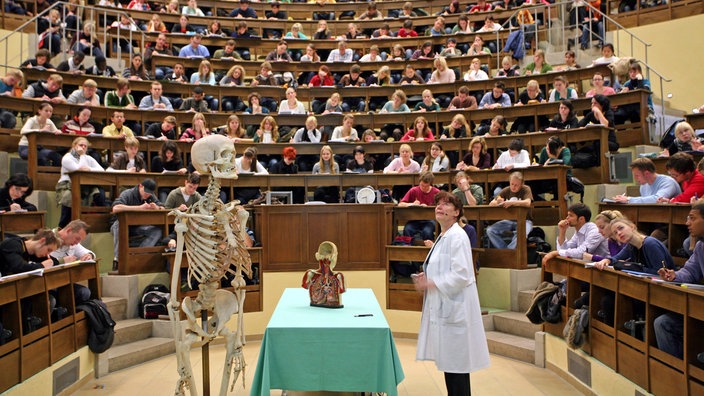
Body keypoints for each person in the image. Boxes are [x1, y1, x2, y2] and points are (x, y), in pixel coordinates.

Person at [414, 191, 490, 396]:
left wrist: (432, 283)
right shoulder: (444, 235)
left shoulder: (457, 236)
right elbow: (444, 267)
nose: (440, 206)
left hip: (456, 308)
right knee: (452, 367)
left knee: (457, 370)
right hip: (447, 306)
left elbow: (462, 274)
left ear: (456, 212)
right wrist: (428, 275)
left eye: (446, 204)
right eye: (438, 203)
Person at [655, 203, 704, 359]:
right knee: (663, 323)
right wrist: (674, 276)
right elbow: (690, 271)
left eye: (692, 218)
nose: (687, 223)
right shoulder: (701, 246)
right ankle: (679, 375)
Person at [110, 179, 164, 270]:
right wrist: (140, 208)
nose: (147, 194)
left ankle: (140, 255)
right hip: (120, 224)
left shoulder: (151, 196)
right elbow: (115, 208)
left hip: (137, 226)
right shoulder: (127, 193)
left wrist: (157, 208)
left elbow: (163, 207)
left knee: (157, 231)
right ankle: (117, 260)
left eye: (150, 193)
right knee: (119, 225)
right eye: (146, 191)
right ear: (140, 186)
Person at [593, 217, 675, 274]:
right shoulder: (631, 245)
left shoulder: (650, 244)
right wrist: (606, 261)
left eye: (621, 228)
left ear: (632, 226)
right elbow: (616, 258)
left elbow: (661, 272)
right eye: (615, 233)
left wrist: (635, 267)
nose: (619, 233)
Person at [55, 137, 105, 228]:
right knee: (69, 198)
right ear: (74, 146)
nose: (83, 148)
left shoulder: (88, 158)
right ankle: (62, 226)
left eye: (85, 146)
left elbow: (101, 170)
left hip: (85, 185)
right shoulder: (67, 157)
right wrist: (82, 156)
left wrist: (90, 168)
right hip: (67, 185)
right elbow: (79, 171)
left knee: (100, 192)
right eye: (80, 145)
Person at [541, 203, 608, 265]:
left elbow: (582, 253)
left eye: (571, 215)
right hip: (590, 266)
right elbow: (564, 249)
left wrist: (555, 253)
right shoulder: (578, 231)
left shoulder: (595, 232)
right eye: (568, 215)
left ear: (581, 219)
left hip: (606, 267)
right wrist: (562, 231)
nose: (567, 218)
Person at [487, 171, 534, 249]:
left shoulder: (526, 189)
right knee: (490, 230)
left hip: (525, 220)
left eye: (516, 185)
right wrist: (498, 202)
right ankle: (505, 250)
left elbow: (527, 203)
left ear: (521, 184)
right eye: (512, 184)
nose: (513, 187)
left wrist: (512, 202)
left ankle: (510, 252)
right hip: (509, 220)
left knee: (521, 233)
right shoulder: (506, 190)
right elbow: (491, 203)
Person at [610, 158, 681, 203]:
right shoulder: (643, 186)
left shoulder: (668, 182)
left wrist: (628, 199)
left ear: (647, 173)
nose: (635, 178)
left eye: (637, 175)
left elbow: (658, 199)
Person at [399, 172, 440, 242]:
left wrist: (428, 208)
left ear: (430, 184)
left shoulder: (436, 192)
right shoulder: (413, 190)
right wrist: (412, 204)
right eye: (421, 185)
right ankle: (409, 249)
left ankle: (429, 249)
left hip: (430, 220)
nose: (423, 188)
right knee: (407, 230)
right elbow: (400, 204)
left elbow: (441, 206)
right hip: (415, 219)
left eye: (426, 186)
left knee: (427, 232)